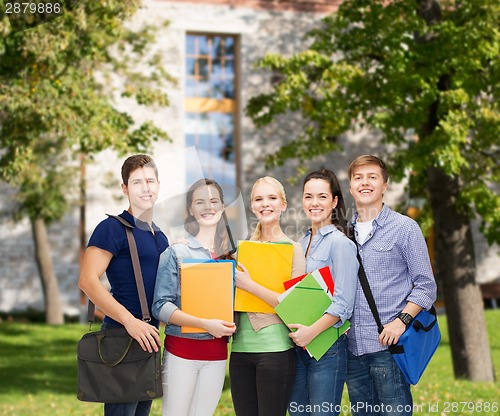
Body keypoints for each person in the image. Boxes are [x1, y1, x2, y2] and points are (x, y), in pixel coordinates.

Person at [346, 155, 437, 416]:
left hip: (389, 349)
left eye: (372, 177)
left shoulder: (405, 228)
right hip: (353, 350)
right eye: (358, 178)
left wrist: (401, 321)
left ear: (384, 185)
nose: (365, 183)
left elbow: (426, 286)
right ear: (351, 186)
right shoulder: (343, 233)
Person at [78, 154, 169, 416]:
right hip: (122, 335)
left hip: (149, 337)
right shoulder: (112, 228)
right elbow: (87, 280)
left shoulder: (159, 235)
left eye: (150, 181)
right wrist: (130, 322)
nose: (146, 188)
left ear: (158, 185)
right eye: (137, 182)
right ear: (125, 189)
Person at [152, 178, 236, 416]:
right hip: (181, 354)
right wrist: (203, 324)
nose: (207, 207)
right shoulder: (177, 252)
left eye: (213, 201)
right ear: (191, 209)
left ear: (222, 207)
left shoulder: (232, 257)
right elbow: (160, 306)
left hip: (218, 356)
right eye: (199, 202)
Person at [230, 176, 306, 416]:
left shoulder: (294, 249)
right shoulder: (240, 250)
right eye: (259, 199)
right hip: (240, 350)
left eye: (272, 198)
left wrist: (249, 285)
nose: (265, 204)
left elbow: (293, 306)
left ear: (283, 204)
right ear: (252, 206)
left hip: (275, 350)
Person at [287, 169, 358, 416]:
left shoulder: (341, 244)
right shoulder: (301, 242)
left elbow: (344, 304)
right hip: (298, 346)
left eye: (321, 197)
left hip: (327, 348)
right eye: (308, 197)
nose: (314, 203)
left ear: (334, 201)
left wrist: (311, 333)